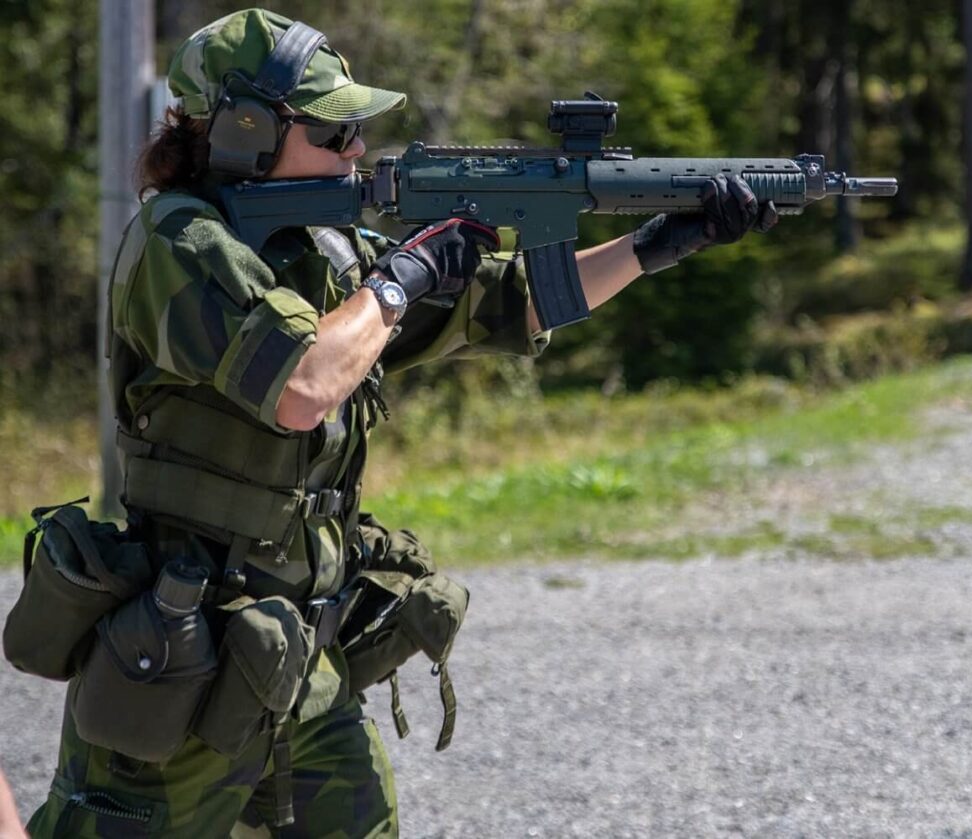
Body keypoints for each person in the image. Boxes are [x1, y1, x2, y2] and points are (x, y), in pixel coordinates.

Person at [24, 9, 774, 837]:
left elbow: (514, 303)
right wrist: (403, 277)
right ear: (243, 132)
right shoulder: (183, 241)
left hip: (298, 653)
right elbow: (303, 386)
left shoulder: (320, 248)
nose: (355, 150)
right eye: (332, 130)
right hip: (182, 653)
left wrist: (657, 244)